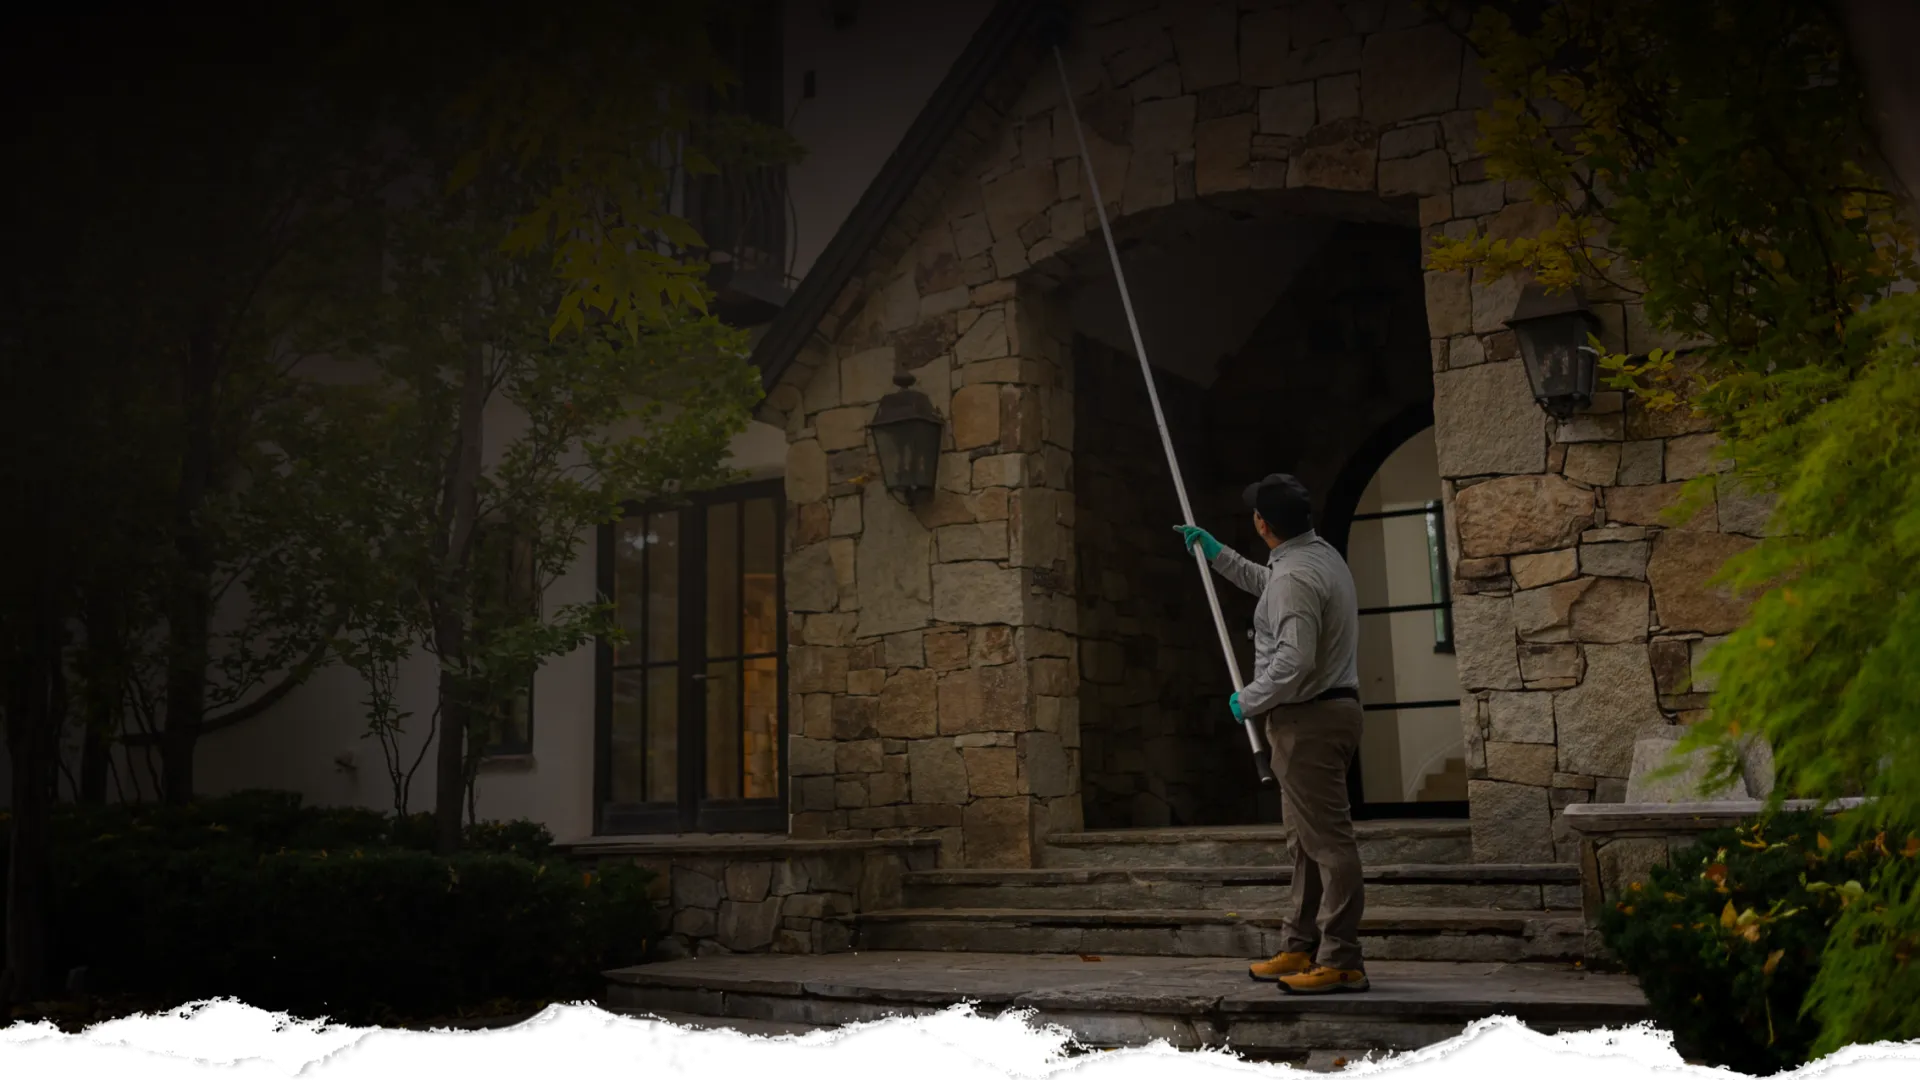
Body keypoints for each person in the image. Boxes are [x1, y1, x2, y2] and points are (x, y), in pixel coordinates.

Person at [1174, 473, 1367, 995]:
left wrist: (1251, 698)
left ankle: (1342, 959)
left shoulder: (1296, 578)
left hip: (1310, 720)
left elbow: (1294, 659)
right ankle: (1299, 945)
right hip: (1319, 715)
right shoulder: (1315, 557)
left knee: (1328, 843)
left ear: (1263, 523)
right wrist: (1218, 555)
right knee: (1304, 844)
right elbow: (1272, 586)